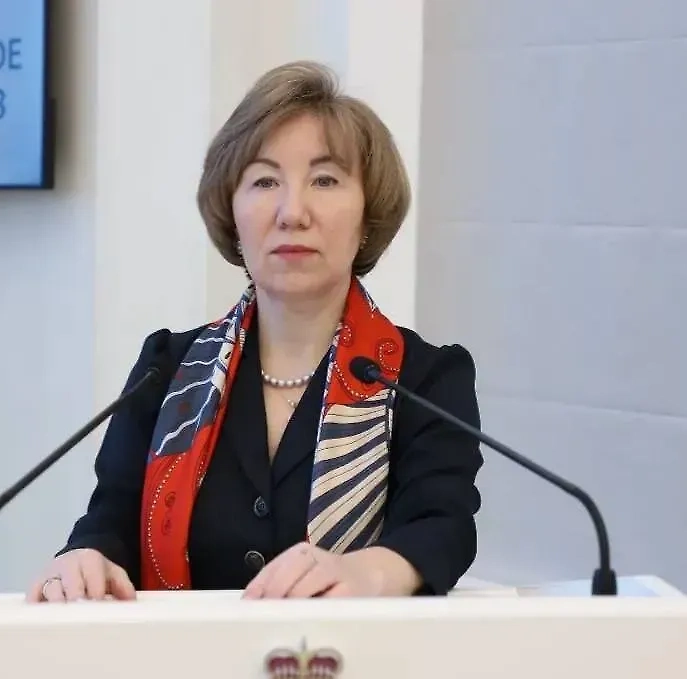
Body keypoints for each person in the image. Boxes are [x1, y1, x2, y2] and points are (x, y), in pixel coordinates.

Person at [27, 60, 483, 603]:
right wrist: (85, 558)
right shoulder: (166, 369)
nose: (293, 212)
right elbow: (109, 524)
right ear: (232, 214)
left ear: (368, 216)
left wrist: (371, 574)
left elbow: (442, 526)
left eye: (325, 180)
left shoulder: (424, 378)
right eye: (265, 181)